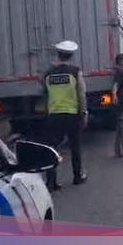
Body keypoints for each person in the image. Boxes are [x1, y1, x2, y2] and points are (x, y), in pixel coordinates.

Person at [43, 40, 88, 190]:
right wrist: (84, 112)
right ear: (71, 55)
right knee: (75, 147)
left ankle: (51, 181)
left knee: (53, 148)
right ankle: (77, 176)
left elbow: (45, 93)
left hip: (54, 114)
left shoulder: (48, 74)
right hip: (71, 114)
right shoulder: (75, 72)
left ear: (58, 54)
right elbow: (81, 94)